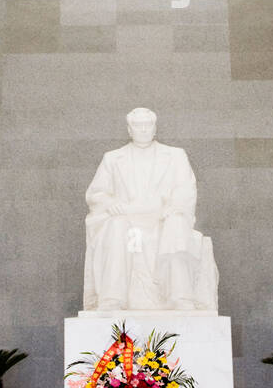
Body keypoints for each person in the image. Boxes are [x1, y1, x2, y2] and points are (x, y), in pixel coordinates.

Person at [82, 107, 218, 311]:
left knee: (176, 222)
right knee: (117, 226)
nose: (143, 129)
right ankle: (112, 299)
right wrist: (111, 204)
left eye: (148, 125)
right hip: (127, 219)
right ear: (129, 129)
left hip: (161, 218)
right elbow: (96, 194)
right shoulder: (112, 158)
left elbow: (185, 189)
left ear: (155, 128)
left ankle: (180, 296)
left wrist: (174, 207)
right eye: (138, 125)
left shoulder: (175, 155)